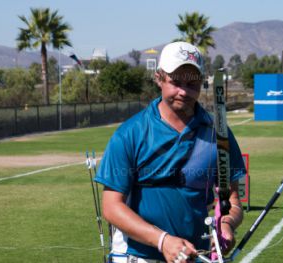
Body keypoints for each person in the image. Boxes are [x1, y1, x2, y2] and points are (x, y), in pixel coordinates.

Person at [95, 41, 246, 263]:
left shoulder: (219, 135)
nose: (183, 91)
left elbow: (232, 199)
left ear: (202, 83)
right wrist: (162, 240)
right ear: (159, 78)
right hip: (137, 257)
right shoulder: (131, 133)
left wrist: (227, 223)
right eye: (175, 82)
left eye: (192, 84)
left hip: (197, 256)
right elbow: (111, 207)